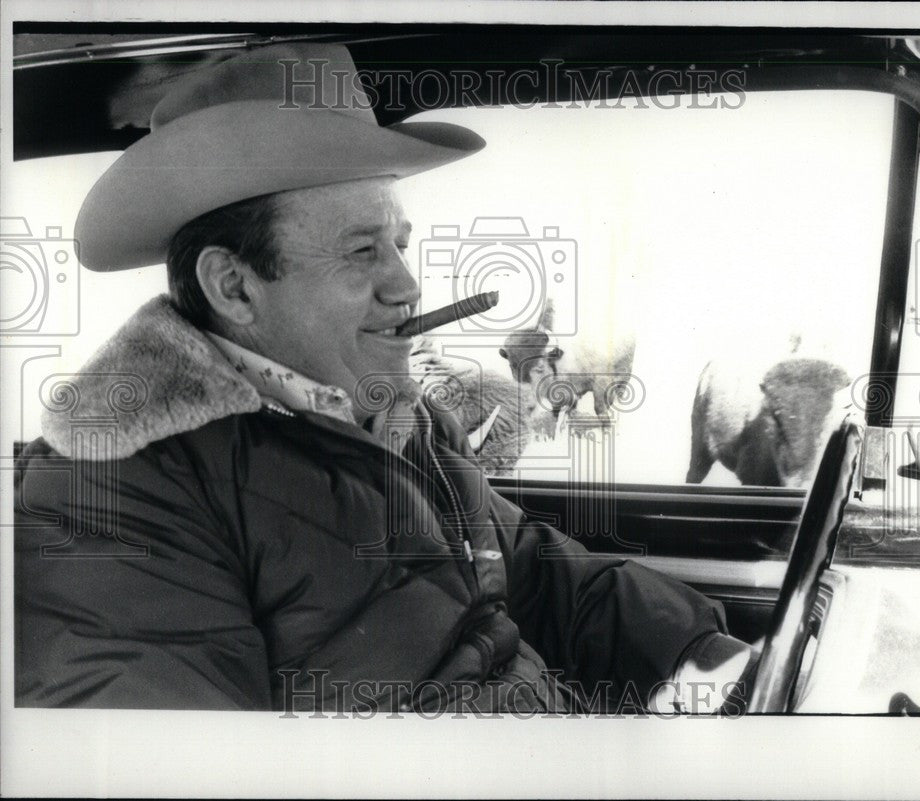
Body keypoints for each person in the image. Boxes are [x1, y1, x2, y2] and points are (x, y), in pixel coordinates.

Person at [14, 43, 755, 714]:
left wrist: (694, 651)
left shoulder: (395, 419)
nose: (407, 285)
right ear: (235, 287)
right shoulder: (111, 496)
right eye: (363, 251)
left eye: (400, 242)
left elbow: (529, 567)